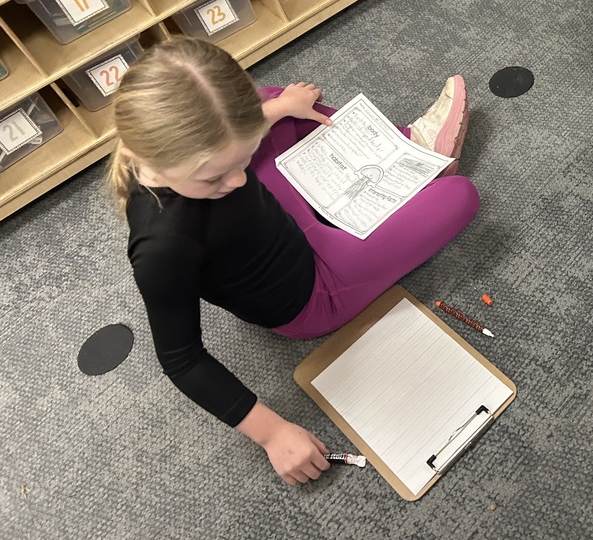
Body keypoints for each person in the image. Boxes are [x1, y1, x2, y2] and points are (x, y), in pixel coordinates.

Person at [107, 37, 479, 485]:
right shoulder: (163, 247)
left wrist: (274, 113)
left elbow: (234, 146)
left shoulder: (209, 166)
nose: (239, 179)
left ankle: (406, 149)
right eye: (214, 177)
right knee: (459, 197)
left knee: (272, 102)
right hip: (316, 290)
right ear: (141, 157)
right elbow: (182, 360)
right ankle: (416, 160)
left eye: (241, 161)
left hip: (285, 223)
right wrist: (272, 434)